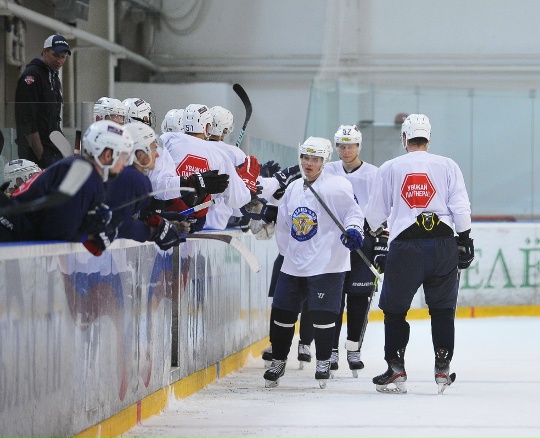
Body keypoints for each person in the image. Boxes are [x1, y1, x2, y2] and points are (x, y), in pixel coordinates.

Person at [364, 114, 474, 394]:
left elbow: (375, 214)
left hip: (405, 248)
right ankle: (442, 367)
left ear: (404, 138)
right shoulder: (448, 165)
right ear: (428, 138)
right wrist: (464, 240)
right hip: (443, 245)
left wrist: (373, 230)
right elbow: (460, 206)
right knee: (442, 309)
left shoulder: (390, 167)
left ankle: (396, 368)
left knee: (395, 310)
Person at [263, 136, 364, 389]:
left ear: (325, 161)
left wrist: (354, 229)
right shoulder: (293, 188)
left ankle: (323, 361)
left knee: (323, 314)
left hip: (327, 263)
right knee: (282, 312)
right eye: (306, 158)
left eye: (315, 159)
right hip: (293, 264)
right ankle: (278, 360)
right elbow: (284, 224)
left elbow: (353, 212)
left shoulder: (337, 186)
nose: (309, 163)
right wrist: (288, 254)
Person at [0, 120, 133, 248]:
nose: (125, 164)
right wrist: (89, 235)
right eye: (124, 157)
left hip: (15, 226)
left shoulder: (84, 171)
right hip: (10, 228)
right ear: (108, 155)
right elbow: (56, 232)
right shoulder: (85, 177)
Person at [324, 124, 386, 378]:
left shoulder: (374, 174)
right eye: (342, 146)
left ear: (359, 146)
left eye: (351, 146)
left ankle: (353, 349)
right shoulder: (327, 170)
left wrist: (381, 243)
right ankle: (331, 351)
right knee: (334, 299)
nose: (346, 151)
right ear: (336, 147)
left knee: (359, 298)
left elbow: (384, 208)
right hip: (334, 243)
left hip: (364, 242)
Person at [164, 103, 255, 231]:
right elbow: (238, 200)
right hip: (197, 223)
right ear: (207, 127)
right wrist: (248, 185)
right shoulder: (219, 155)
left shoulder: (166, 140)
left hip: (163, 218)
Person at [104, 122, 189, 250]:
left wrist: (162, 218)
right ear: (140, 154)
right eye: (153, 149)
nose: (157, 154)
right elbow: (120, 224)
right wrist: (152, 231)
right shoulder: (132, 177)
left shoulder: (128, 174)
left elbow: (130, 215)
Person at [15, 34, 71, 168]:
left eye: (63, 57)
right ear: (45, 52)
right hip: (35, 152)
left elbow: (54, 119)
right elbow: (27, 120)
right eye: (55, 55)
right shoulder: (32, 76)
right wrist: (41, 156)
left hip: (52, 148)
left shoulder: (53, 77)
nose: (59, 61)